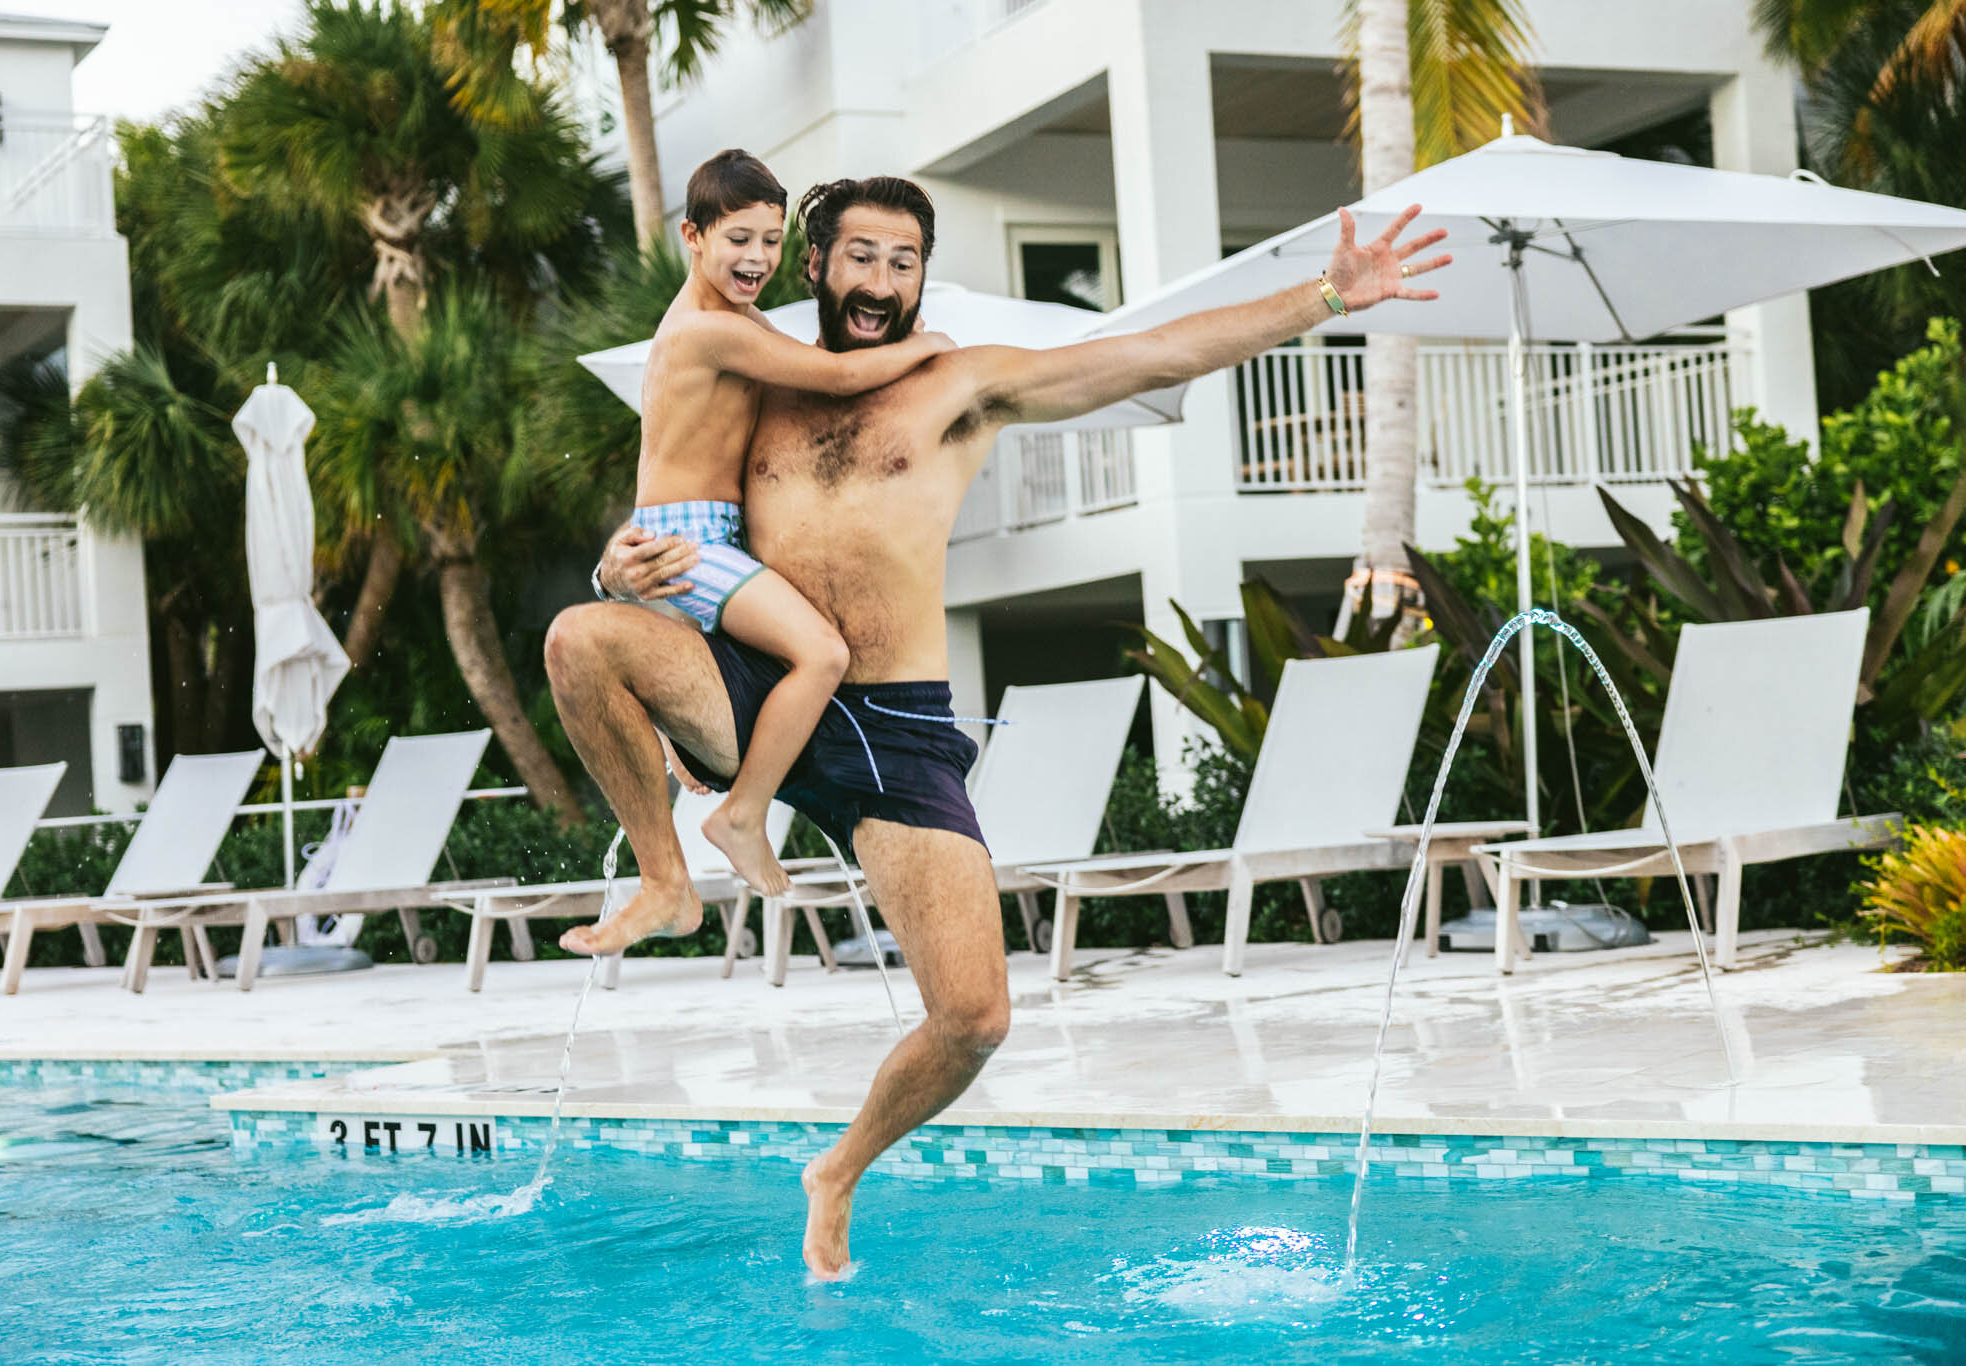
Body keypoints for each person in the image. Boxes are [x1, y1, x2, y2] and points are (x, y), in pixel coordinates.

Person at [545, 175, 1447, 1278]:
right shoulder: (756, 376)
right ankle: (664, 875)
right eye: (860, 257)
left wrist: (1320, 295)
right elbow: (673, 503)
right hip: (754, 681)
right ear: (815, 262)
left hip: (895, 723)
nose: (880, 282)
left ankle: (835, 1170)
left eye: (903, 260)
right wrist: (614, 564)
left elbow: (1152, 354)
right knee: (581, 637)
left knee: (973, 1016)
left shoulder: (956, 383)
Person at [573, 150, 954, 922]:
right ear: (693, 235)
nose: (757, 259)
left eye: (772, 241)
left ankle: (703, 770)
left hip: (709, 542)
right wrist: (928, 346)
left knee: (781, 659)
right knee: (822, 654)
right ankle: (742, 816)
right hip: (692, 545)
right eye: (739, 239)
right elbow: (843, 377)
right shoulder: (707, 331)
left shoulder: (740, 323)